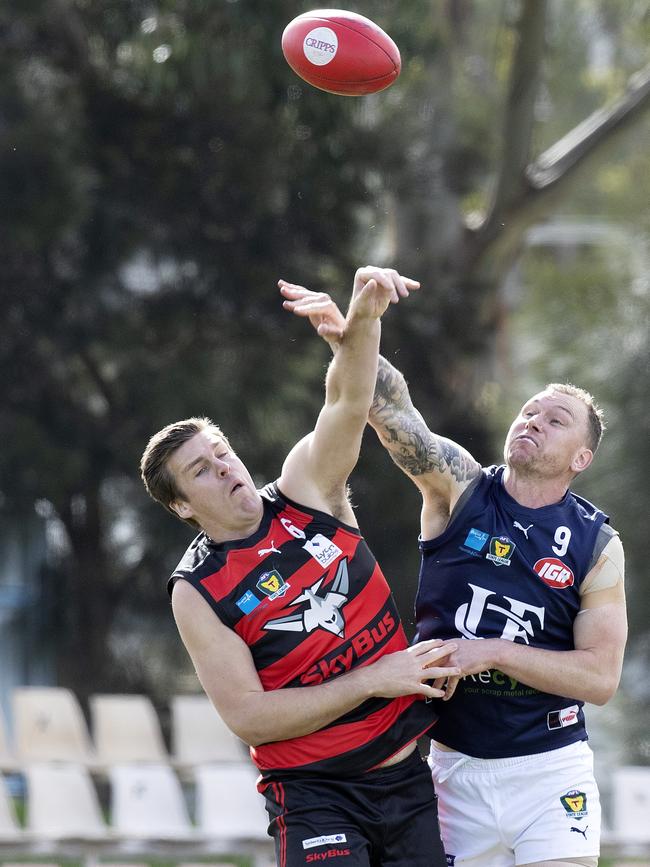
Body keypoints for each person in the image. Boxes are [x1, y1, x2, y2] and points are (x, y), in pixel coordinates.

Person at [284, 281, 627, 867]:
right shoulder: (461, 487)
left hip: (549, 770)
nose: (533, 420)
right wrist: (357, 335)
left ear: (581, 458)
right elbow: (392, 411)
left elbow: (598, 679)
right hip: (451, 765)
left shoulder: (597, 544)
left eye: (556, 419)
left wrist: (489, 652)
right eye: (530, 410)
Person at [140, 267, 460, 867]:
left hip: (407, 776)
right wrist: (371, 679)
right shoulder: (197, 590)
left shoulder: (304, 493)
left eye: (222, 453)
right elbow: (251, 719)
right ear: (181, 505)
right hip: (316, 794)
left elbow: (346, 401)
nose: (225, 468)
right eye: (202, 471)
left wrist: (364, 320)